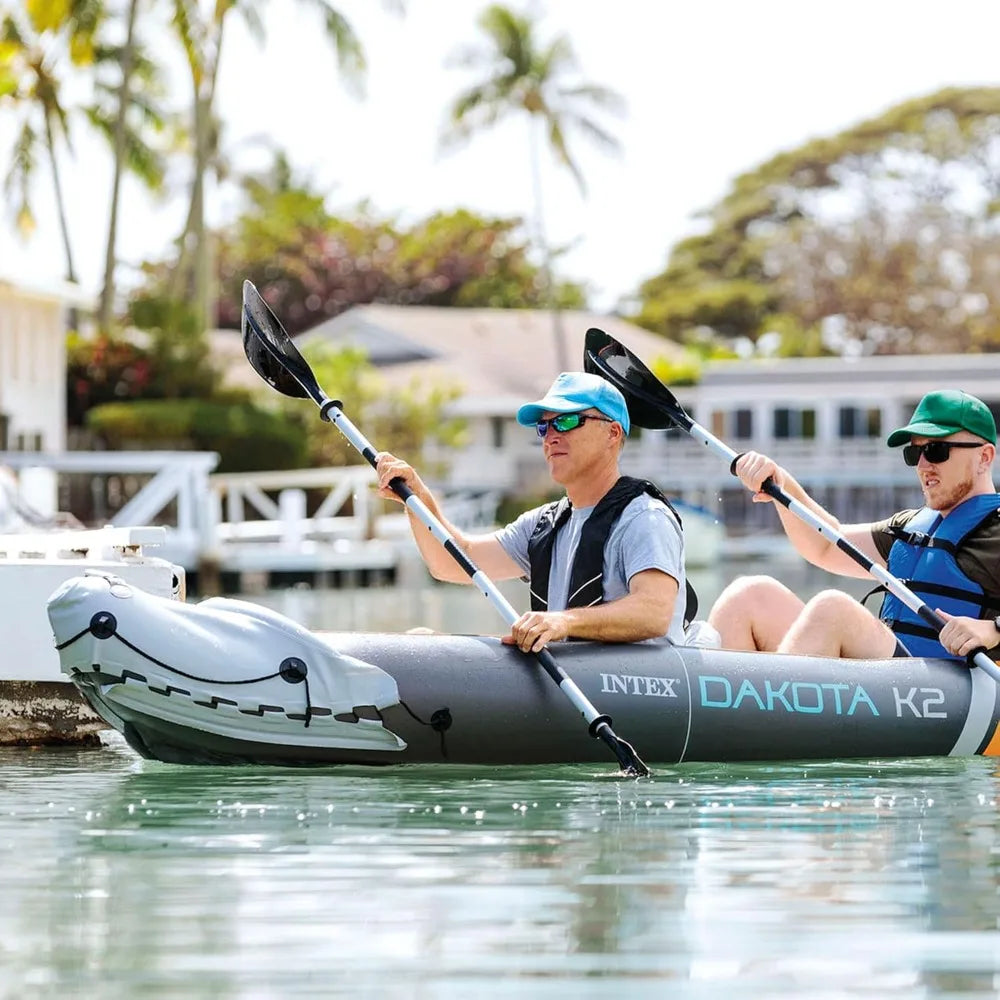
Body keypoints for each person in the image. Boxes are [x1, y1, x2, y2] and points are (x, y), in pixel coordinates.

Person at [374, 372, 690, 652]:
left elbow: (654, 612)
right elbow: (453, 562)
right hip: (571, 681)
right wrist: (418, 501)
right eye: (544, 426)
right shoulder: (543, 524)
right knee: (422, 640)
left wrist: (563, 622)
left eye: (568, 420)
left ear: (613, 433)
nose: (551, 436)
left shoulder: (645, 517)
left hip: (641, 689)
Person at [708, 389, 1000, 661]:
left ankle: (768, 710)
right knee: (749, 595)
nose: (923, 466)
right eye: (914, 453)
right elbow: (825, 545)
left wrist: (993, 630)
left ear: (984, 457)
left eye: (937, 450)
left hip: (950, 695)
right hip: (893, 683)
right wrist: (780, 483)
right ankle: (725, 713)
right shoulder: (910, 527)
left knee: (834, 609)